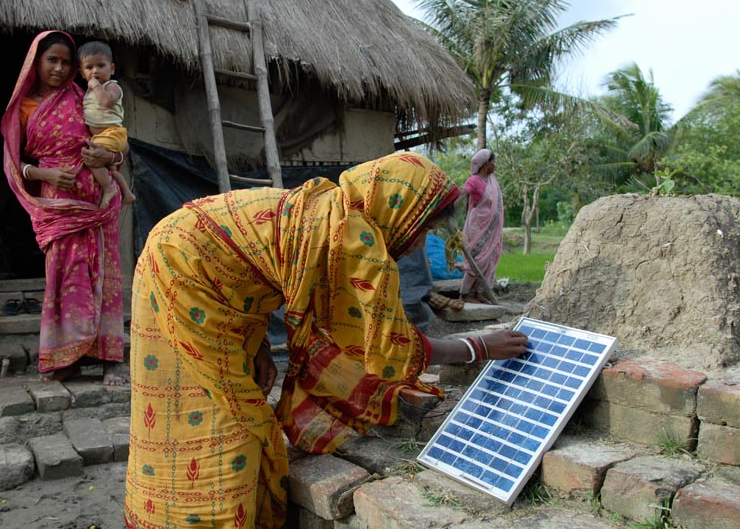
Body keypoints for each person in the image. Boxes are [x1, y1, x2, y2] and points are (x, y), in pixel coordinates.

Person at [123, 152, 528, 528]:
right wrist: (480, 347)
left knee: (197, 402)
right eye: (424, 229)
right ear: (398, 208)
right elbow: (389, 344)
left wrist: (261, 346)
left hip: (193, 262)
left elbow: (249, 263)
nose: (421, 242)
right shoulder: (355, 237)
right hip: (186, 272)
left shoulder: (334, 207)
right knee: (234, 421)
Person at [0, 30, 127, 386]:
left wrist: (110, 155)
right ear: (35, 63)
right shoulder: (22, 106)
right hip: (57, 202)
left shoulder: (86, 95)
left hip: (98, 200)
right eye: (51, 60)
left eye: (66, 62)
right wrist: (45, 172)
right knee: (64, 276)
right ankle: (66, 358)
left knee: (104, 275)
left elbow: (114, 134)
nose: (59, 68)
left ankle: (109, 358)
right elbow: (13, 163)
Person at [77, 40, 135, 209]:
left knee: (92, 159)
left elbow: (106, 102)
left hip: (112, 133)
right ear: (81, 73)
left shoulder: (112, 87)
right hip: (103, 136)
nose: (95, 71)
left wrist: (96, 86)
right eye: (89, 68)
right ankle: (127, 193)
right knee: (112, 169)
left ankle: (108, 189)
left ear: (112, 69)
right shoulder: (87, 93)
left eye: (101, 65)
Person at [459, 148, 504, 304]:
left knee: (490, 258)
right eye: (492, 163)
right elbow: (463, 194)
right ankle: (464, 294)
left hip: (492, 227)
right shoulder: (474, 181)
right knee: (477, 259)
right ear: (485, 165)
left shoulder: (492, 180)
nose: (494, 166)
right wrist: (449, 206)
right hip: (478, 225)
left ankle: (478, 292)